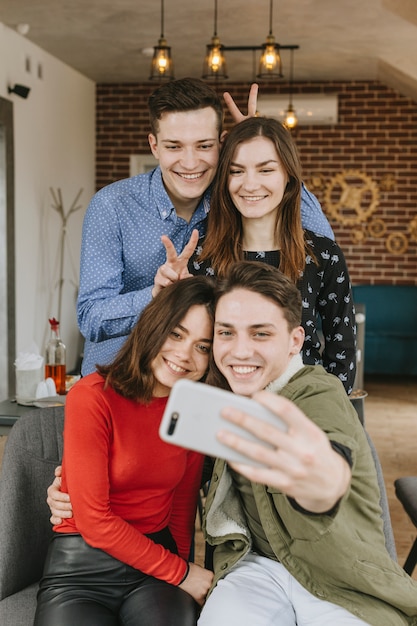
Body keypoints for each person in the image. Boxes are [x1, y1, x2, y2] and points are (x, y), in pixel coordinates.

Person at [197, 261, 417, 626]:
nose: (239, 351)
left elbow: (330, 462)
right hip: (258, 568)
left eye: (261, 334)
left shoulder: (317, 393)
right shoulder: (223, 399)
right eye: (226, 333)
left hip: (341, 577)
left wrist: (321, 484)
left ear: (294, 341)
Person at [78, 77, 334, 376]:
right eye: (174, 146)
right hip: (120, 380)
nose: (189, 163)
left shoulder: (239, 196)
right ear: (154, 146)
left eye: (204, 146)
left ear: (221, 144)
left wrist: (254, 145)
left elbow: (319, 242)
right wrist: (154, 295)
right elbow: (91, 318)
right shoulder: (112, 206)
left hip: (205, 385)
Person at [34, 276, 216, 626]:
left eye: (202, 346)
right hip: (81, 569)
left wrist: (175, 580)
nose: (184, 355)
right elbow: (94, 521)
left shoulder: (193, 412)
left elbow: (180, 509)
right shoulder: (93, 396)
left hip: (154, 567)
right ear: (153, 326)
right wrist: (181, 573)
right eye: (176, 334)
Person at [154, 116, 356, 393]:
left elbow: (341, 351)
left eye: (265, 170)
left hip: (301, 405)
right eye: (236, 171)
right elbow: (186, 346)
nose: (249, 185)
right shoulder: (200, 257)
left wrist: (330, 411)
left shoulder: (324, 255)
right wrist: (168, 301)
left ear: (288, 176)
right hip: (221, 408)